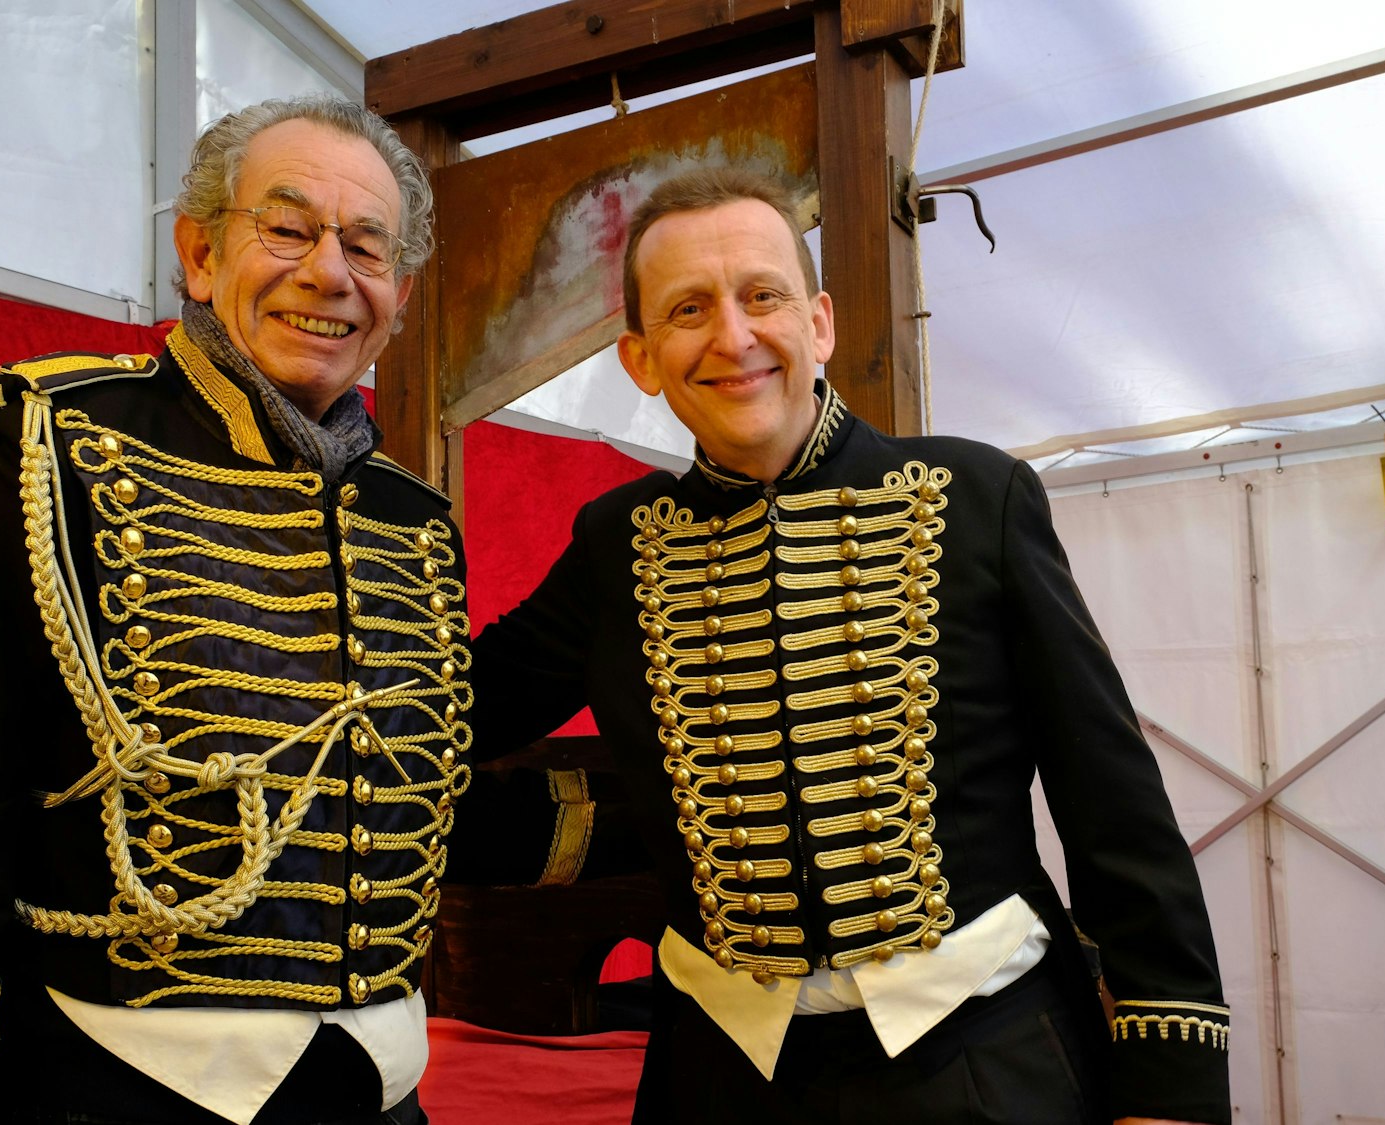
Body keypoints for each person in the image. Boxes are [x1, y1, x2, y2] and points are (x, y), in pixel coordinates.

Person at [0, 94, 600, 1125]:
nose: (328, 273)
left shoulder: (412, 522)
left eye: (366, 249)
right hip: (111, 1087)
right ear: (198, 254)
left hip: (379, 1097)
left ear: (400, 293)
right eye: (286, 229)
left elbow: (402, 807)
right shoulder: (47, 443)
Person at [467, 167, 1232, 1125]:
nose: (733, 337)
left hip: (983, 1062)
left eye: (762, 296)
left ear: (818, 323)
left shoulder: (978, 497)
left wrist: (1174, 1089)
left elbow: (1113, 805)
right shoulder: (614, 543)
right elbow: (456, 711)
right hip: (719, 1076)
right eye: (689, 310)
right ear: (642, 358)